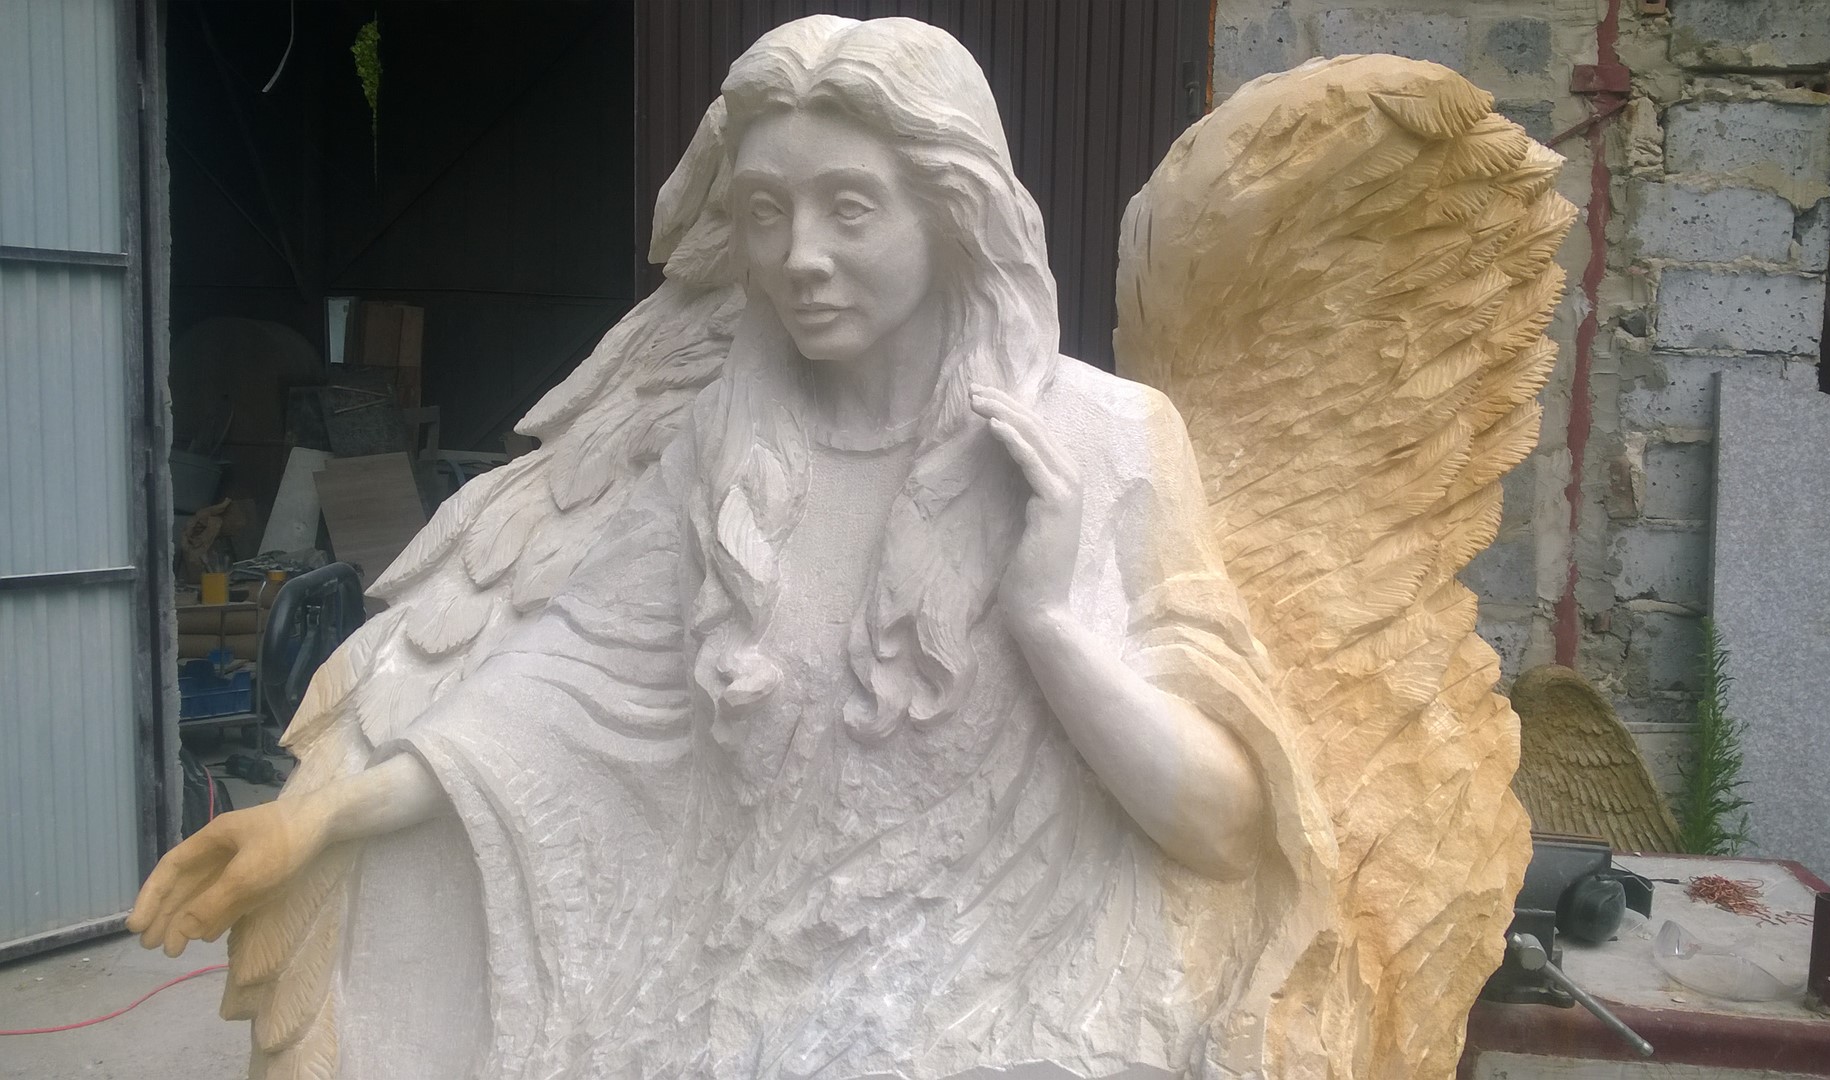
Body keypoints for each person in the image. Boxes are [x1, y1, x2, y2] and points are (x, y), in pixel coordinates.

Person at [131, 17, 1333, 1080]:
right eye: (765, 211)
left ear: (951, 212)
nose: (798, 254)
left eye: (849, 209)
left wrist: (1050, 625)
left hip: (1020, 1009)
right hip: (749, 992)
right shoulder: (729, 444)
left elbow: (1224, 829)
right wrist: (317, 818)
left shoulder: (1105, 439)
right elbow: (559, 693)